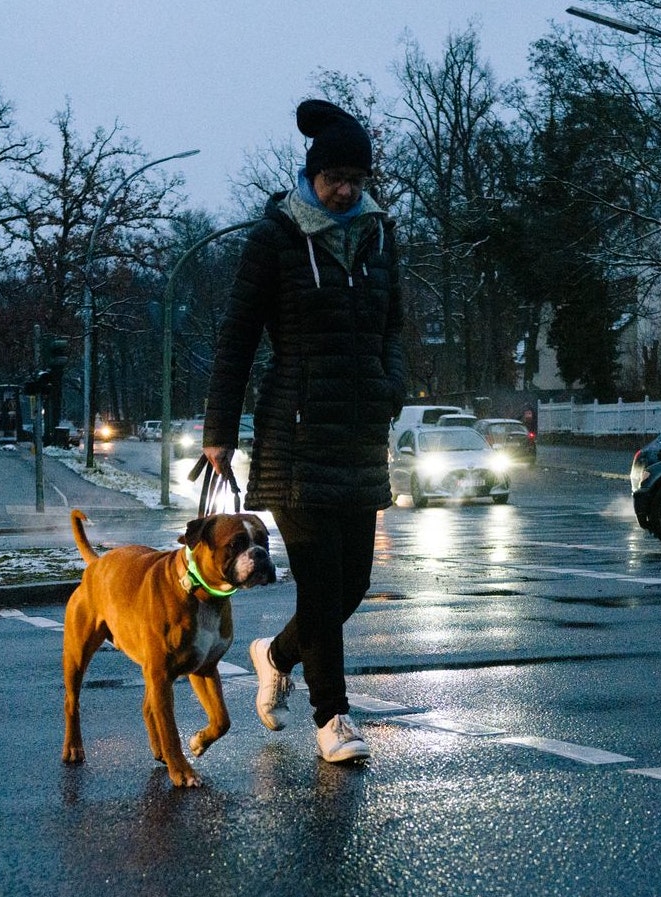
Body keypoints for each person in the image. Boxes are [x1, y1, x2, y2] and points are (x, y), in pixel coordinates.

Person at [202, 99, 405, 764]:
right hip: (296, 437)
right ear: (311, 174)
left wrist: (389, 383)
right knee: (320, 583)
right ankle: (333, 717)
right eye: (333, 176)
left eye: (355, 176)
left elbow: (394, 323)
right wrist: (218, 432)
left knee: (349, 586)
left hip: (359, 434)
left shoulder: (380, 235)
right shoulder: (277, 237)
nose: (345, 188)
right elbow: (237, 335)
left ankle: (276, 653)